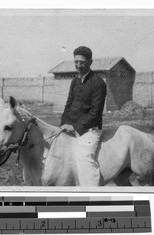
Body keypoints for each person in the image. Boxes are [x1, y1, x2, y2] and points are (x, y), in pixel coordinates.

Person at [60, 46, 107, 186]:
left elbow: (96, 113)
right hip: (72, 128)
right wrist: (63, 125)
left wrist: (74, 127)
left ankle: (91, 194)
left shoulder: (98, 83)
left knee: (84, 159)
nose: (78, 65)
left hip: (90, 130)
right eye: (76, 62)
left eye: (82, 62)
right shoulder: (74, 81)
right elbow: (68, 106)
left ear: (90, 62)